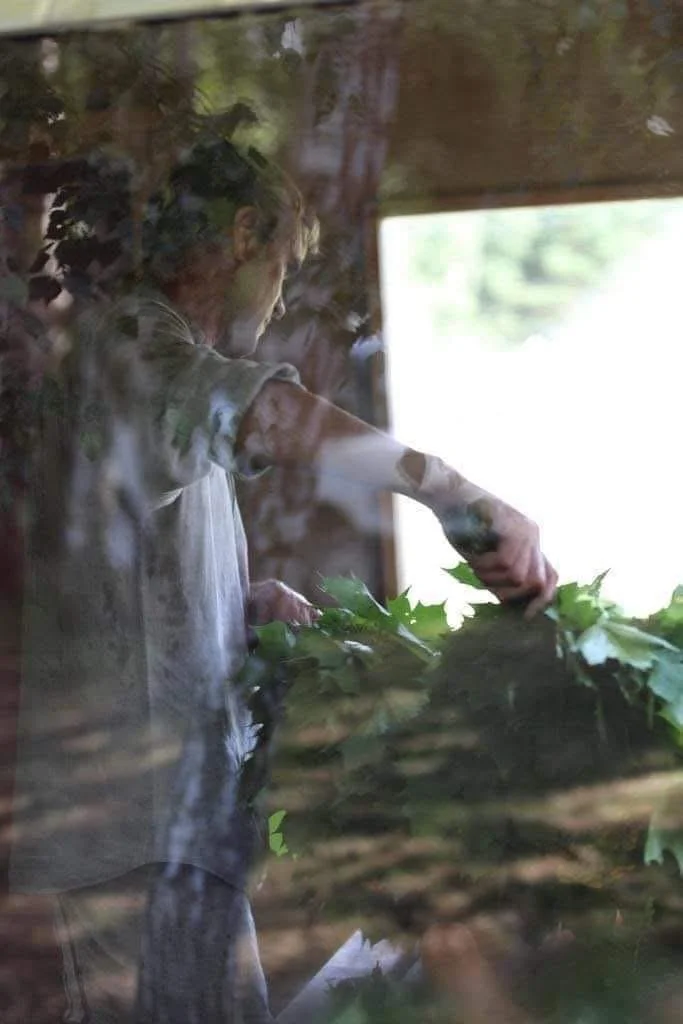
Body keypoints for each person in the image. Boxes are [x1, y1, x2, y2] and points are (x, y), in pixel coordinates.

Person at [9, 138, 557, 1023]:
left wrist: (239, 604)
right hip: (135, 835)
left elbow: (133, 565)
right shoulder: (133, 351)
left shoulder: (152, 361)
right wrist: (455, 494)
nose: (276, 297)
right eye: (281, 267)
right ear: (242, 234)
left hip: (172, 829)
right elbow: (258, 410)